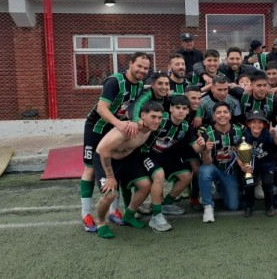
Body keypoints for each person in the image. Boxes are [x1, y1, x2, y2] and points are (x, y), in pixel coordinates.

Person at [80, 52, 150, 233]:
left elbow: (134, 107)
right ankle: (86, 214)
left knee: (115, 165)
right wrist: (119, 123)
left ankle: (114, 211)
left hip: (114, 129)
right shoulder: (114, 81)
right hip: (97, 128)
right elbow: (102, 108)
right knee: (90, 168)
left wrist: (135, 120)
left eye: (146, 68)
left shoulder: (140, 84)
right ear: (130, 64)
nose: (142, 70)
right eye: (139, 66)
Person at [93, 101, 164, 238]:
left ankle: (128, 215)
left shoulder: (150, 129)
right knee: (110, 195)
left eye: (159, 118)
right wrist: (111, 177)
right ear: (143, 115)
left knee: (145, 185)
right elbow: (104, 150)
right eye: (153, 117)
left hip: (126, 160)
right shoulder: (129, 130)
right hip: (105, 159)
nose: (156, 121)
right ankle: (101, 223)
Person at [140, 95, 205, 228]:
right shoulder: (160, 120)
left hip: (167, 156)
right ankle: (156, 216)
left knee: (186, 176)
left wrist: (203, 144)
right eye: (177, 108)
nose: (181, 111)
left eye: (184, 108)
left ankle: (166, 204)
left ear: (188, 111)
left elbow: (196, 147)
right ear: (170, 108)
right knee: (159, 175)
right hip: (147, 154)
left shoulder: (186, 127)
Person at [199, 101, 244, 223]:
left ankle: (220, 187)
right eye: (218, 112)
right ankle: (208, 206)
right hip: (213, 166)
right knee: (204, 171)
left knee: (233, 206)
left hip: (230, 170)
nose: (222, 115)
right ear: (213, 116)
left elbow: (242, 153)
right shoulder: (206, 132)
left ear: (230, 115)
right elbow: (206, 161)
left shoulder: (240, 130)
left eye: (225, 112)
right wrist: (207, 151)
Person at [238, 110, 277, 217]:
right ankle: (249, 206)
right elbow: (238, 154)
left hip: (267, 165)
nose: (257, 125)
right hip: (251, 166)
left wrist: (275, 135)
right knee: (248, 182)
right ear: (248, 124)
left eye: (260, 122)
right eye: (253, 122)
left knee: (267, 184)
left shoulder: (267, 133)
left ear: (264, 124)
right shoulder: (244, 136)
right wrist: (243, 166)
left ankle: (269, 206)